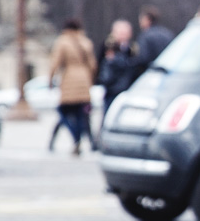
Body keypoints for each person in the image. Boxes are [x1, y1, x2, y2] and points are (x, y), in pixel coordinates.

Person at [48, 19, 97, 156]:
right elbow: (93, 65)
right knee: (83, 115)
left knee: (63, 112)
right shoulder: (86, 42)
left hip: (69, 79)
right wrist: (90, 81)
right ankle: (89, 142)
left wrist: (50, 80)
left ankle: (76, 138)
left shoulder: (62, 42)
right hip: (84, 79)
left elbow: (55, 63)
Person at [97, 19, 137, 122]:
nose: (123, 36)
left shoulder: (132, 48)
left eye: (125, 33)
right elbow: (100, 64)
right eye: (120, 33)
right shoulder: (108, 46)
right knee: (108, 116)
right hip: (112, 89)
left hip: (127, 89)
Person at [133, 6, 173, 78]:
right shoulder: (167, 33)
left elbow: (143, 58)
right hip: (168, 74)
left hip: (152, 75)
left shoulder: (145, 36)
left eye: (141, 19)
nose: (140, 22)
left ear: (148, 19)